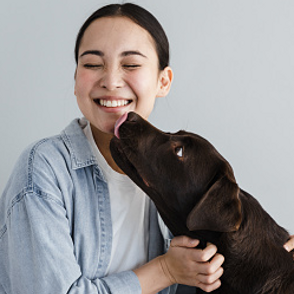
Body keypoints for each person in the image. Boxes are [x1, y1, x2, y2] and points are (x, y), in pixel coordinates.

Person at [0, 3, 293, 294]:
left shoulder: (181, 179)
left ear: (163, 81)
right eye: (91, 64)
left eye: (130, 65)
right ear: (76, 79)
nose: (111, 81)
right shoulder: (44, 170)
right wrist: (166, 270)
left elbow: (249, 255)